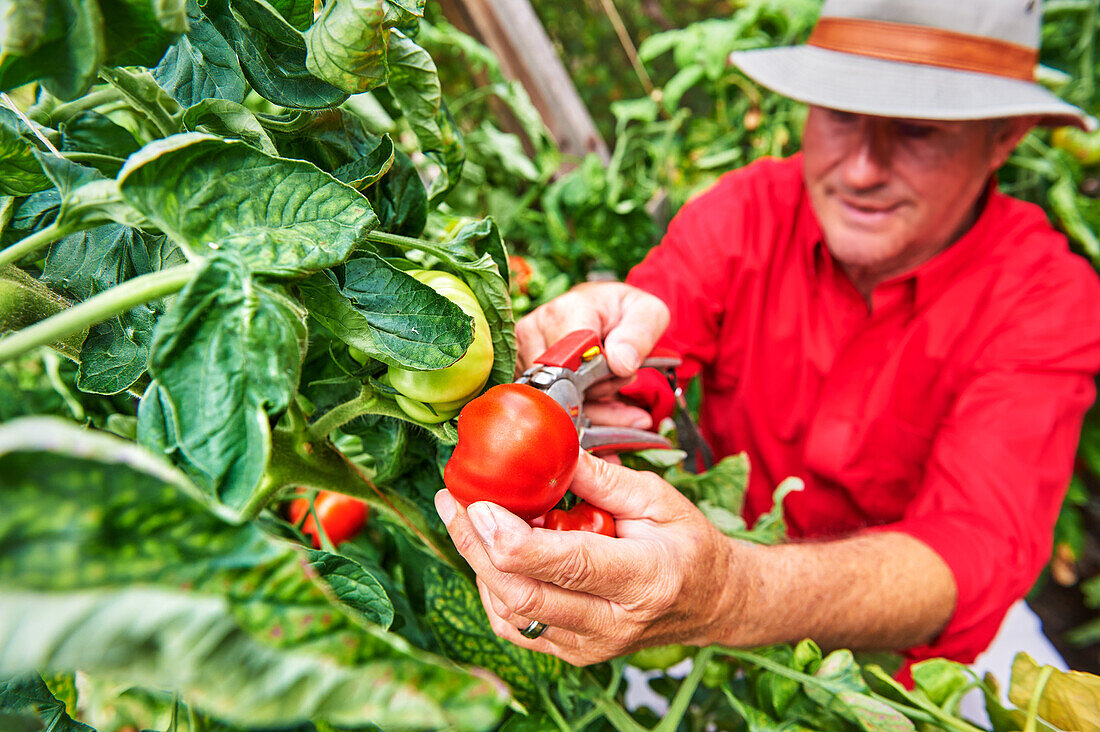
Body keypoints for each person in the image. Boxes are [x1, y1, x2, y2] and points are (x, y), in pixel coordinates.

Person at [433, 0, 1100, 679]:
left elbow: (970, 545)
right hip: (701, 591)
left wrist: (734, 591)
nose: (863, 169)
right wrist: (601, 359)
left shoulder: (1044, 296)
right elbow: (656, 333)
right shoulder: (748, 211)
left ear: (1003, 136)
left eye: (918, 130)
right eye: (841, 114)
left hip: (905, 664)